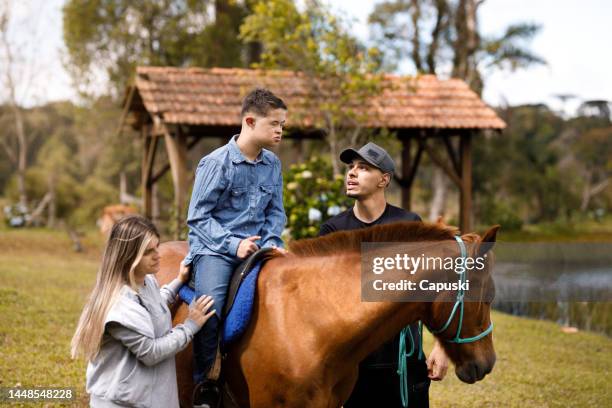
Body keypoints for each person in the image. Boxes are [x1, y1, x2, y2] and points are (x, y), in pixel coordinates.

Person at [319, 142, 450, 408]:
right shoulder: (333, 231)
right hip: (352, 367)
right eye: (351, 167)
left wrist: (441, 346)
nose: (352, 173)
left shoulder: (409, 225)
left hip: (405, 365)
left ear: (384, 180)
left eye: (364, 168)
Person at [184, 88, 288, 407]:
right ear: (250, 121)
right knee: (210, 306)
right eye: (274, 124)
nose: (280, 130)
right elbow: (198, 217)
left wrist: (270, 243)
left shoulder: (272, 164)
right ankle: (206, 383)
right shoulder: (216, 163)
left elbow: (276, 211)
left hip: (259, 245)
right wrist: (233, 244)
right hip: (214, 248)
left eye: (283, 124)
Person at [71, 215, 215, 408]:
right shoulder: (118, 306)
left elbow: (152, 307)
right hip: (123, 403)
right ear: (129, 256)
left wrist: (179, 281)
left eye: (157, 247)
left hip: (145, 398)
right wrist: (190, 325)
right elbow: (152, 352)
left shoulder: (145, 283)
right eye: (149, 252)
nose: (158, 255)